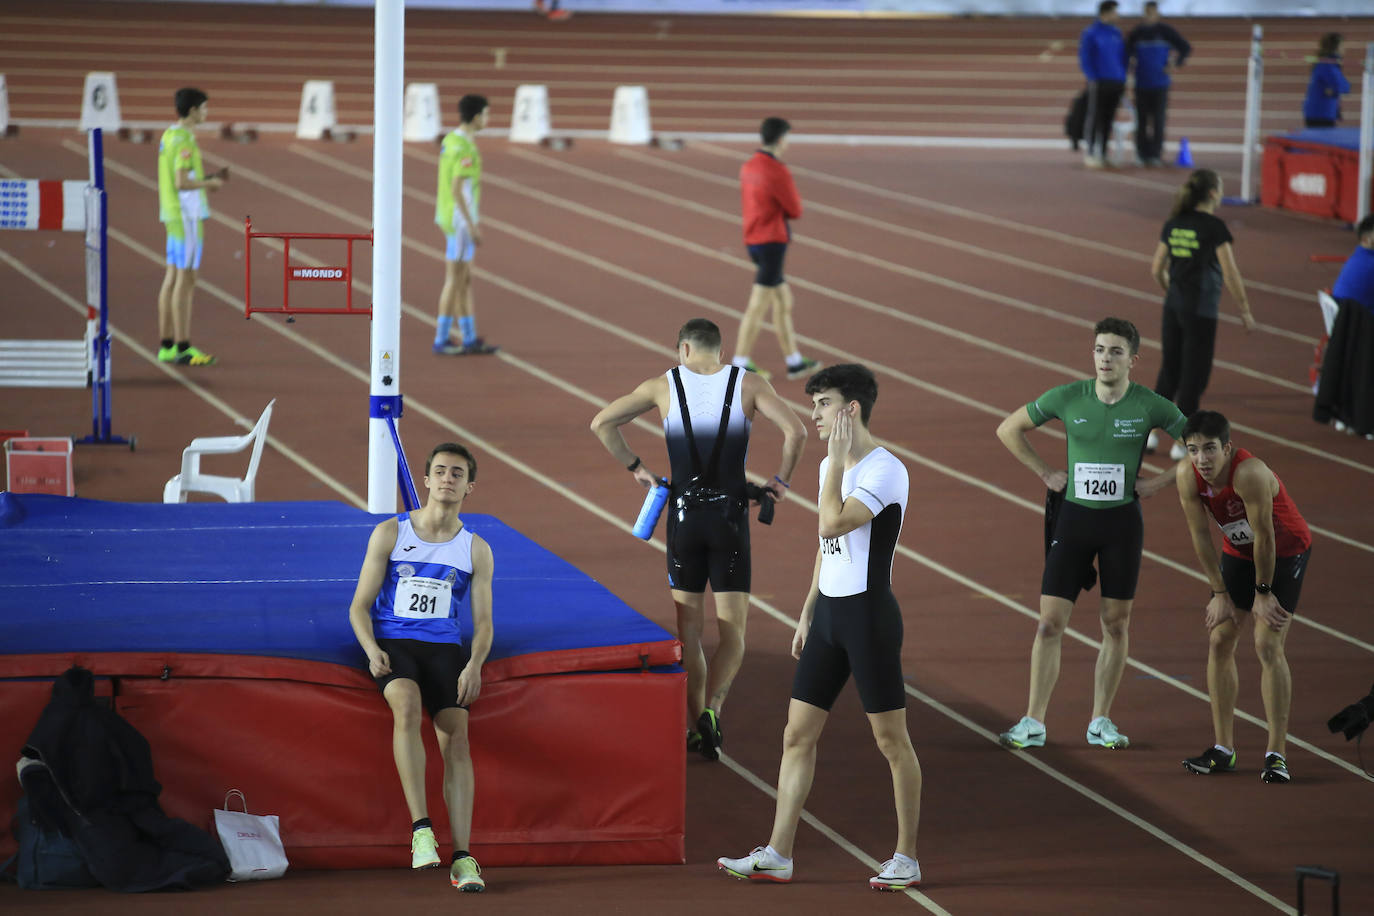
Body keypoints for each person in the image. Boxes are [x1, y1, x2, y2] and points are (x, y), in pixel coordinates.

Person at [717, 364, 922, 891]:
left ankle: (906, 856)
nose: (814, 414)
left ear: (850, 410)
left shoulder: (884, 470)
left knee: (891, 741)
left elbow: (832, 521)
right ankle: (779, 852)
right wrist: (808, 610)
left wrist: (832, 466)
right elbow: (825, 545)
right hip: (831, 615)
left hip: (869, 619)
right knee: (796, 735)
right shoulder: (834, 466)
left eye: (823, 404)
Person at [590, 318, 806, 759]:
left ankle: (696, 728)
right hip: (730, 521)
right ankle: (714, 709)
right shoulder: (749, 384)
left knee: (690, 633)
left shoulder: (661, 386)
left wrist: (637, 468)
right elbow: (797, 431)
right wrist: (781, 481)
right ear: (720, 352)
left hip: (683, 522)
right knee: (734, 633)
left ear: (683, 350)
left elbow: (602, 423)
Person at [997, 317, 1185, 752]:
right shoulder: (1069, 397)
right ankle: (1033, 721)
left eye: (1116, 351)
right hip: (1075, 520)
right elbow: (1008, 429)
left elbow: (1197, 447)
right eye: (1100, 349)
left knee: (1115, 625)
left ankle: (1101, 720)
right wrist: (1045, 471)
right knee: (1048, 623)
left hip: (1121, 524)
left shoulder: (1151, 405)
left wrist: (1155, 484)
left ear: (1133, 360)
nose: (1106, 358)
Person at [346, 442, 494, 892]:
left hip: (444, 650)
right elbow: (358, 606)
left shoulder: (476, 550)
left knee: (457, 741)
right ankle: (421, 830)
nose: (448, 479)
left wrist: (474, 664)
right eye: (440, 471)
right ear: (426, 480)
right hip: (395, 644)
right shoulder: (391, 533)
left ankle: (464, 857)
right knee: (407, 705)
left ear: (470, 486)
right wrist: (371, 650)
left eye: (457, 473)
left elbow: (484, 623)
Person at [1175, 410, 1311, 784]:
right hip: (1238, 553)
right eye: (1193, 450)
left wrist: (1262, 594)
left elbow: (1265, 538)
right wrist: (1219, 592)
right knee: (1220, 637)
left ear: (1227, 448)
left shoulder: (1249, 474)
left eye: (1209, 449)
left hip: (1284, 552)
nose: (1202, 459)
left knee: (1267, 644)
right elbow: (1201, 537)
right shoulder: (1187, 476)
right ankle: (1223, 749)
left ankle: (1276, 754)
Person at [1146, 168, 1256, 460]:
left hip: (1174, 306)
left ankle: (1151, 436)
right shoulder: (1214, 228)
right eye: (1220, 189)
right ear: (1211, 193)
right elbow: (1230, 272)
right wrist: (1244, 309)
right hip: (1201, 311)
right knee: (1194, 375)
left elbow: (1157, 269)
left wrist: (1171, 291)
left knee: (1169, 369)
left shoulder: (1174, 223)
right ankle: (1184, 443)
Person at [732, 117, 821, 381]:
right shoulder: (777, 170)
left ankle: (794, 361)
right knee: (758, 305)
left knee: (783, 300)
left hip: (754, 240)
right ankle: (740, 363)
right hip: (772, 242)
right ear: (781, 139)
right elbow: (795, 209)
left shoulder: (748, 167)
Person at [157, 87, 226, 367]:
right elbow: (181, 182)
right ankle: (183, 347)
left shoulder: (168, 135)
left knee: (172, 278)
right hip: (186, 217)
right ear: (194, 110)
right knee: (186, 281)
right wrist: (210, 183)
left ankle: (166, 345)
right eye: (204, 108)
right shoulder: (185, 140)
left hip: (172, 214)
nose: (207, 113)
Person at [434, 95, 497, 356]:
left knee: (464, 279)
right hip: (459, 220)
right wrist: (471, 226)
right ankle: (442, 338)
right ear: (475, 118)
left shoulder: (451, 140)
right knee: (455, 278)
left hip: (448, 215)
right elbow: (458, 188)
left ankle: (469, 337)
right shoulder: (466, 149)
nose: (488, 119)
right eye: (486, 114)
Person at [1314, 215, 1374, 437]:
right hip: (1363, 336)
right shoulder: (1370, 265)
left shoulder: (1357, 259)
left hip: (1346, 335)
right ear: (1367, 238)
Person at [1126, 1, 1191, 167]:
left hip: (1160, 84)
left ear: (1157, 14)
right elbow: (1125, 53)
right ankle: (1141, 154)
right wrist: (1129, 68)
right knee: (1141, 121)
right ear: (1143, 13)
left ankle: (1155, 154)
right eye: (1147, 13)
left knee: (1158, 121)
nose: (1150, 16)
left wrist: (1175, 64)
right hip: (1141, 84)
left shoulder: (1166, 31)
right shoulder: (1136, 33)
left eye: (1152, 13)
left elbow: (1185, 47)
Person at [1078, 1, 1127, 168]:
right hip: (1099, 82)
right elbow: (1085, 58)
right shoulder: (1091, 33)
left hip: (1117, 82)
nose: (1118, 16)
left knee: (1109, 118)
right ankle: (1091, 152)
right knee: (1095, 117)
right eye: (1115, 12)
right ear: (1105, 13)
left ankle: (1104, 153)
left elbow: (1122, 57)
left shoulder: (1116, 33)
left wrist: (1123, 76)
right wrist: (1092, 77)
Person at [1302, 33, 1350, 128]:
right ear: (1335, 48)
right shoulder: (1327, 65)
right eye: (1342, 46)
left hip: (1322, 112)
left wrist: (1334, 91)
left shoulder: (1329, 64)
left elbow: (1341, 86)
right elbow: (1343, 86)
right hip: (1320, 114)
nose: (1344, 49)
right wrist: (1336, 90)